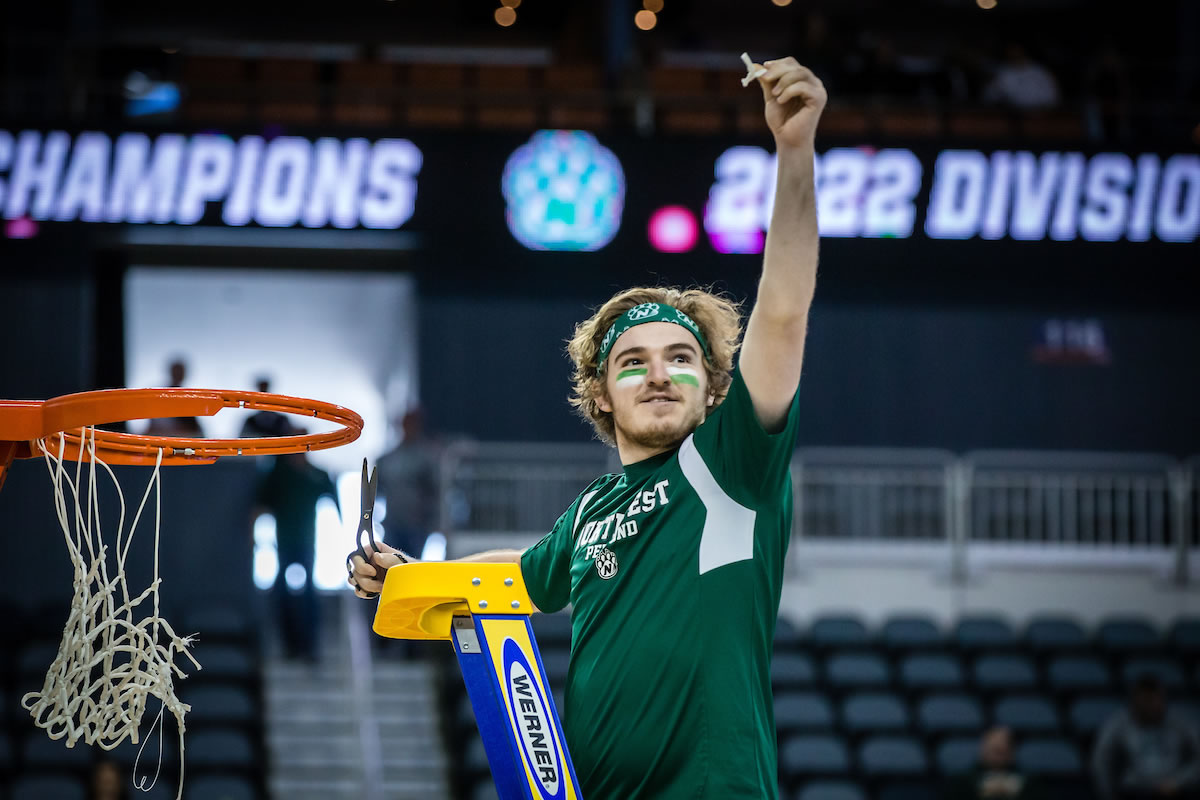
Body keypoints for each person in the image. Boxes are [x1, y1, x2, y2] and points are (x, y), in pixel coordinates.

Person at [350, 55, 823, 799]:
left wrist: (794, 154)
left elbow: (785, 313)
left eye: (681, 359)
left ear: (713, 390)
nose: (660, 374)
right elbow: (521, 577)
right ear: (601, 397)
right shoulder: (592, 512)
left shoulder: (732, 465)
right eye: (633, 363)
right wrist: (410, 576)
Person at [257, 447, 339, 661]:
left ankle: (310, 647)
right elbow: (259, 504)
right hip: (284, 543)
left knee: (310, 596)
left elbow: (332, 493)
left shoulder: (315, 474)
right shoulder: (279, 474)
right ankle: (289, 646)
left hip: (307, 543)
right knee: (281, 594)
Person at [1093, 674, 1200, 800]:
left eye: (1154, 700)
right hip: (1135, 790)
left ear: (1163, 699)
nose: (1150, 707)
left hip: (1176, 790)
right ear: (1134, 702)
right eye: (1145, 700)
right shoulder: (1118, 724)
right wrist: (1108, 795)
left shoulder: (1182, 722)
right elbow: (1101, 760)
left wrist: (1180, 781)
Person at [375, 408, 440, 559]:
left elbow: (434, 492)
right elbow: (377, 490)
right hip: (392, 523)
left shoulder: (426, 458)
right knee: (388, 565)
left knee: (413, 567)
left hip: (417, 525)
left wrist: (433, 521)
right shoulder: (388, 459)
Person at [943, 727, 1045, 800]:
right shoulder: (962, 781)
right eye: (989, 749)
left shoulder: (1028, 782)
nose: (993, 755)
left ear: (1011, 753)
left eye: (999, 751)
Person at [983, 43, 1060, 110]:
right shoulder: (1003, 73)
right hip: (1012, 116)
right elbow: (989, 97)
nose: (1014, 54)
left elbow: (1052, 98)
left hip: (1041, 115)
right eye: (1011, 52)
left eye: (1017, 51)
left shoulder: (1040, 72)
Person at [146, 357, 205, 437]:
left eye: (180, 372)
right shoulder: (159, 395)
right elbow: (153, 425)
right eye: (176, 372)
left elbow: (195, 428)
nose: (178, 375)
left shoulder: (187, 397)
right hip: (164, 438)